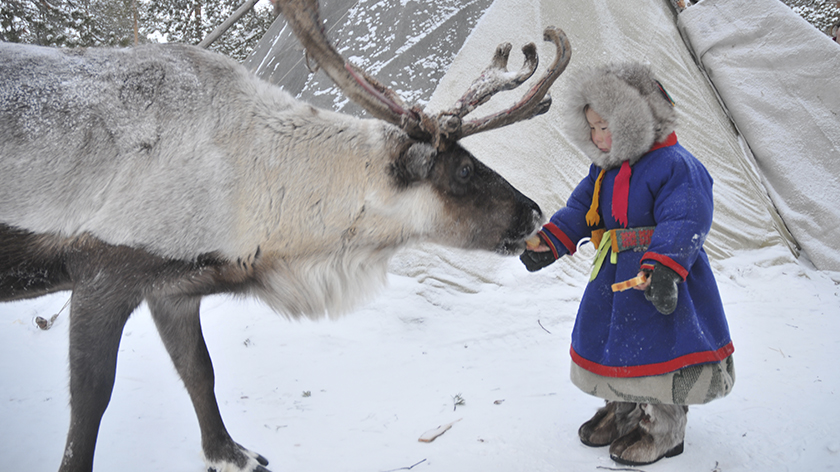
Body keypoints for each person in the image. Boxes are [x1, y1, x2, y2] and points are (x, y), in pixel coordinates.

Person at [520, 63, 735, 466]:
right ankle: (622, 413)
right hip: (615, 273)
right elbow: (581, 210)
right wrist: (549, 242)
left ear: (636, 118)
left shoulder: (675, 164)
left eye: (606, 126)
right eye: (593, 128)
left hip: (658, 276)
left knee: (660, 348)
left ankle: (663, 428)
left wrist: (665, 267)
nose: (599, 138)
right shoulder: (604, 170)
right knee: (614, 342)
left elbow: (687, 217)